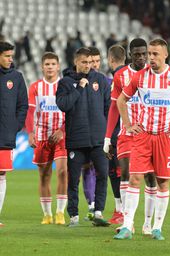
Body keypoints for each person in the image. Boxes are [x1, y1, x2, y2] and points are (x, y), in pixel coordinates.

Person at [114, 38, 170, 240]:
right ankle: (127, 226)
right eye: (149, 54)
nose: (150, 58)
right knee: (134, 179)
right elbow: (121, 100)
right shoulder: (140, 77)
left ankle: (157, 228)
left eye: (154, 54)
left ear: (165, 55)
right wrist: (127, 124)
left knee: (162, 182)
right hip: (143, 136)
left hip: (166, 138)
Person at [104, 39, 158, 234]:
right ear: (130, 55)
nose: (142, 57)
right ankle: (128, 222)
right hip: (127, 133)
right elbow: (113, 107)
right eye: (137, 54)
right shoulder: (121, 76)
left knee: (151, 178)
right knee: (125, 173)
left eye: (144, 53)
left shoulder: (155, 75)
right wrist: (108, 138)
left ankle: (147, 223)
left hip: (150, 133)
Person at [56, 47, 111, 227]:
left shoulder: (100, 80)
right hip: (76, 140)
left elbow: (107, 108)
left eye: (90, 62)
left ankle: (98, 212)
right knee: (73, 179)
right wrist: (78, 88)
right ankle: (73, 215)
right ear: (76, 62)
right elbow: (63, 105)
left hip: (97, 139)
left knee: (103, 174)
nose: (88, 66)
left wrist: (106, 134)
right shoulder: (65, 82)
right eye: (84, 62)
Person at [25, 52, 68, 225]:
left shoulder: (65, 86)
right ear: (42, 67)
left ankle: (60, 212)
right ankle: (47, 214)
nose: (50, 67)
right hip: (42, 136)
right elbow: (30, 112)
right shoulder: (36, 87)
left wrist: (62, 130)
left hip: (61, 136)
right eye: (47, 64)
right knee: (44, 176)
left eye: (53, 64)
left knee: (64, 172)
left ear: (58, 66)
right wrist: (30, 132)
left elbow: (71, 111)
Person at [0, 41, 28, 226]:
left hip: (5, 134)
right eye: (7, 56)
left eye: (11, 56)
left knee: (1, 174)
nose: (11, 59)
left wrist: (14, 126)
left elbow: (22, 105)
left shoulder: (16, 78)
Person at [105, 44, 126, 224]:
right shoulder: (130, 75)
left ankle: (121, 210)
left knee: (116, 172)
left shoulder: (116, 79)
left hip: (118, 133)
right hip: (128, 131)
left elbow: (113, 109)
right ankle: (121, 209)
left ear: (110, 59)